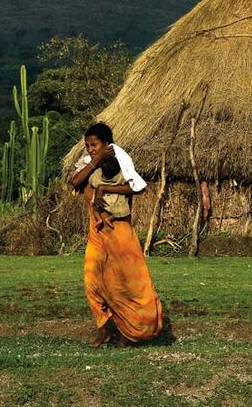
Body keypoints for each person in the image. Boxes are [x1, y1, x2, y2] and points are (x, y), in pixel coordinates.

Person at [70, 122, 163, 347]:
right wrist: (94, 160)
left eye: (95, 145)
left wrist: (107, 188)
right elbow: (75, 182)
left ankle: (129, 332)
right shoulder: (89, 164)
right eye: (88, 145)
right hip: (96, 231)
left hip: (119, 232)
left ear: (106, 143)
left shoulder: (121, 161)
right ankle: (103, 329)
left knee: (124, 285)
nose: (90, 149)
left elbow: (138, 187)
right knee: (91, 280)